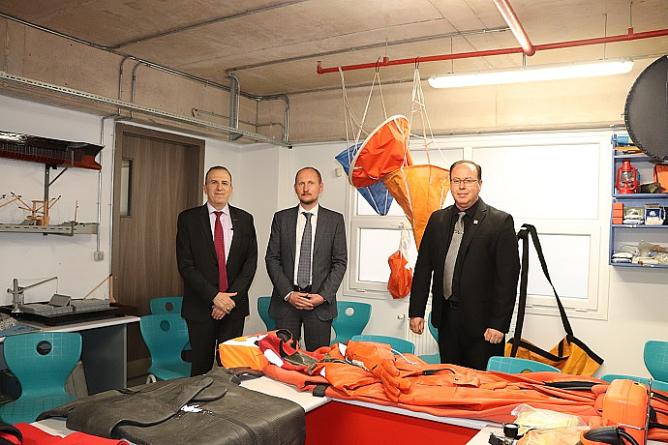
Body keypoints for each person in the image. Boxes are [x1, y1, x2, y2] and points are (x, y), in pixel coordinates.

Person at [409, 160, 520, 370]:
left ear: (479, 184)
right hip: (446, 320)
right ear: (450, 184)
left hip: (484, 327)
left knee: (480, 384)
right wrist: (416, 311)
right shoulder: (437, 220)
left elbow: (508, 278)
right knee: (449, 378)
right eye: (456, 181)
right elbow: (423, 268)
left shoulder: (500, 222)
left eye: (468, 181)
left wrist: (499, 324)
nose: (461, 187)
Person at [176, 166, 258, 376]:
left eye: (224, 183)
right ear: (205, 188)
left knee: (230, 370)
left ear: (231, 189)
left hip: (233, 307)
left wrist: (227, 300)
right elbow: (186, 265)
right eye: (214, 182)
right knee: (200, 369)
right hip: (200, 307)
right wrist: (214, 296)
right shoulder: (188, 219)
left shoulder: (245, 219)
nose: (219, 188)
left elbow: (249, 264)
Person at [265, 167, 347, 351]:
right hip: (286, 303)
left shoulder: (334, 220)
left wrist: (323, 296)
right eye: (301, 183)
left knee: (317, 360)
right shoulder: (281, 218)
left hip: (319, 304)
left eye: (311, 183)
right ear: (295, 187)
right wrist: (288, 294)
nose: (306, 188)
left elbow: (340, 262)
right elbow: (272, 258)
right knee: (285, 359)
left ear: (321, 187)